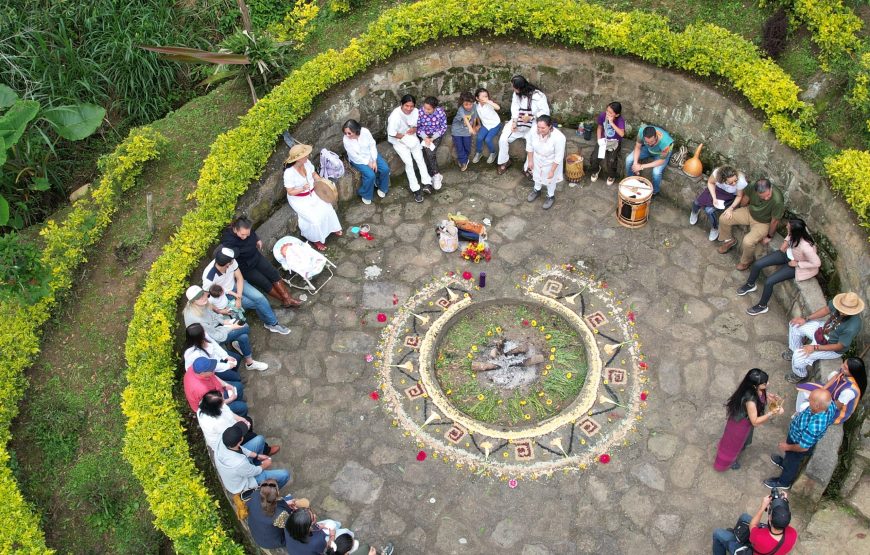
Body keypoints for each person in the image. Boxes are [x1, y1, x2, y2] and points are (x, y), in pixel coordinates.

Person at [738, 218, 820, 316]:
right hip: (786, 254)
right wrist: (786, 241)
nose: (786, 227)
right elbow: (790, 236)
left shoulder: (806, 247)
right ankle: (750, 285)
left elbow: (817, 263)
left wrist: (797, 264)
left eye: (788, 227)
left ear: (795, 231)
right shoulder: (797, 233)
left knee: (769, 281)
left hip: (796, 265)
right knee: (758, 264)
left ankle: (762, 306)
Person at [203, 246, 290, 335]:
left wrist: (239, 298)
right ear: (227, 264)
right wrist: (219, 311)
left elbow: (240, 278)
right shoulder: (209, 278)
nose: (234, 261)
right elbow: (205, 299)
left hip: (237, 284)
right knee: (256, 304)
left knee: (260, 298)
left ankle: (273, 324)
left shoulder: (230, 261)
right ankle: (269, 321)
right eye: (232, 261)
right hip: (225, 295)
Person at [220, 216, 301, 309]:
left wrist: (257, 239)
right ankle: (284, 300)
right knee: (264, 282)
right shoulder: (227, 239)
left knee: (273, 273)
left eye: (247, 234)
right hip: (245, 266)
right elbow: (233, 254)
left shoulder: (246, 227)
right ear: (236, 229)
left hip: (256, 256)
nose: (245, 237)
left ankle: (288, 298)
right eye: (242, 234)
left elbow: (253, 232)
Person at [783, 291, 864, 383]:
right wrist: (806, 319)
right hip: (823, 330)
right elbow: (826, 310)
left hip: (831, 346)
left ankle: (800, 374)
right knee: (795, 325)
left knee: (798, 356)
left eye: (845, 311)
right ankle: (793, 350)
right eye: (841, 308)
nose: (841, 312)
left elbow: (840, 346)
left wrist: (814, 347)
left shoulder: (852, 326)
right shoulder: (839, 303)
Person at [183, 286, 268, 372]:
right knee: (245, 327)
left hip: (216, 328)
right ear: (193, 301)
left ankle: (249, 363)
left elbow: (213, 315)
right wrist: (231, 327)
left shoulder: (200, 304)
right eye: (198, 297)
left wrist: (224, 322)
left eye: (202, 294)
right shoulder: (197, 318)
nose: (203, 297)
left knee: (243, 337)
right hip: (211, 339)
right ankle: (243, 354)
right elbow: (216, 336)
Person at [714, 369, 783, 471]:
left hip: (745, 423)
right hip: (740, 426)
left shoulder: (754, 389)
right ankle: (727, 461)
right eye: (764, 383)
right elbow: (754, 421)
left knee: (739, 442)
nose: (768, 384)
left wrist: (768, 396)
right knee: (732, 444)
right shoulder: (750, 401)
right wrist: (771, 413)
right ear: (755, 386)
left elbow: (760, 395)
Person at [765, 388, 835, 489]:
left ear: (817, 405)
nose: (808, 400)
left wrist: (787, 447)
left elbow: (803, 447)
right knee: (789, 458)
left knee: (792, 462)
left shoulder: (815, 425)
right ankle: (785, 463)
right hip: (801, 436)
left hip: (798, 443)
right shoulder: (828, 405)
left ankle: (784, 482)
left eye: (810, 400)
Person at [283, 143, 343, 252]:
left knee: (328, 208)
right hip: (299, 199)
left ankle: (333, 228)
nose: (308, 157)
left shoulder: (307, 163)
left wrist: (322, 182)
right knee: (314, 220)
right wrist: (302, 188)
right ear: (298, 159)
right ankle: (316, 240)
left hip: (313, 192)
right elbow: (290, 192)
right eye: (305, 156)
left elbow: (314, 174)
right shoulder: (289, 173)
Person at [717, 178, 785, 271]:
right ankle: (729, 240)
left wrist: (769, 236)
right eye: (762, 197)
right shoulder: (753, 185)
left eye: (768, 195)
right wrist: (739, 209)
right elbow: (745, 198)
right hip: (749, 211)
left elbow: (775, 221)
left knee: (748, 241)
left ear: (771, 188)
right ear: (756, 192)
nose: (766, 198)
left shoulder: (778, 200)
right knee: (724, 218)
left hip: (763, 222)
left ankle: (746, 262)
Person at [215, 422, 290, 494]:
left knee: (260, 439)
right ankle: (272, 494)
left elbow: (240, 448)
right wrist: (265, 465)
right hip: (244, 482)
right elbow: (253, 471)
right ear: (240, 440)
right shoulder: (239, 462)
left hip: (240, 469)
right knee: (285, 474)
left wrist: (257, 455)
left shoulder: (224, 440)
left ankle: (258, 463)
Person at [196, 390, 278, 455]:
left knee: (248, 419)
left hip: (231, 428)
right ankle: (266, 450)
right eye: (222, 401)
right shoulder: (216, 423)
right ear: (215, 408)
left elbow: (228, 412)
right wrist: (244, 427)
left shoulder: (205, 404)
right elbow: (232, 432)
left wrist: (240, 418)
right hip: (227, 441)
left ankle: (249, 435)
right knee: (254, 437)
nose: (224, 401)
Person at [496, 75, 550, 175]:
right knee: (503, 139)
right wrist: (514, 123)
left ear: (520, 87)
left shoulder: (538, 96)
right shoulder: (516, 94)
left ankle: (528, 168)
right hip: (518, 122)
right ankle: (505, 161)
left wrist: (531, 117)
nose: (512, 88)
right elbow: (515, 108)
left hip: (533, 123)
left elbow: (545, 112)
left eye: (513, 86)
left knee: (533, 142)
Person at [711, 493, 798, 555]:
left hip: (751, 550)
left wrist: (762, 507)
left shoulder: (759, 536)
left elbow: (752, 525)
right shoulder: (793, 533)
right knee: (744, 517)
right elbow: (783, 517)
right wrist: (784, 502)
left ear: (770, 519)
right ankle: (736, 535)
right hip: (769, 547)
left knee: (717, 533)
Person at [387, 94, 432, 203]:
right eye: (406, 106)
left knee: (420, 159)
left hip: (410, 136)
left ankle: (427, 182)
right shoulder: (395, 116)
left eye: (411, 106)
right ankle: (416, 189)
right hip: (398, 139)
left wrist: (415, 129)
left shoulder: (416, 111)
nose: (409, 109)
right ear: (401, 104)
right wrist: (404, 137)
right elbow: (391, 133)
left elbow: (419, 124)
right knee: (409, 163)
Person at [795, 357, 865, 425]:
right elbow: (835, 377)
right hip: (832, 394)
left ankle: (800, 415)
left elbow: (836, 407)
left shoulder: (849, 392)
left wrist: (818, 402)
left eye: (845, 367)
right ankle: (798, 412)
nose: (841, 366)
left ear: (852, 372)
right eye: (843, 364)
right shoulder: (846, 372)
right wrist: (822, 389)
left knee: (804, 406)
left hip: (835, 410)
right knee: (804, 391)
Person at [689, 165, 748, 241]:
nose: (734, 184)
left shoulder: (741, 181)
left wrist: (731, 208)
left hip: (728, 195)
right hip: (716, 190)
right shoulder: (717, 174)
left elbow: (739, 196)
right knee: (696, 203)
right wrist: (714, 197)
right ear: (723, 180)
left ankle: (714, 228)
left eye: (735, 180)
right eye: (730, 183)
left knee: (709, 210)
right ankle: (694, 212)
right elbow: (710, 183)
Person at [246, 479, 305, 549]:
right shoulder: (280, 515)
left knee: (289, 499)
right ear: (277, 493)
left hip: (257, 532)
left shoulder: (255, 494)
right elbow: (293, 527)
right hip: (269, 541)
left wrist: (286, 504)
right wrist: (295, 512)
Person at [342, 119, 390, 205]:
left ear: (356, 130)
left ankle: (382, 186)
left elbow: (372, 144)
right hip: (358, 160)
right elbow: (354, 156)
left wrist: (374, 160)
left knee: (385, 169)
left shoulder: (365, 132)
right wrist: (368, 163)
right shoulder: (346, 140)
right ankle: (365, 194)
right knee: (370, 175)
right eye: (345, 133)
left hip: (370, 154)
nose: (347, 135)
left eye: (349, 133)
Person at [525, 115, 566, 211]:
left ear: (550, 126)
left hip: (551, 161)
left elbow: (559, 156)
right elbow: (529, 146)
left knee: (550, 180)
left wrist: (552, 170)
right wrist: (530, 160)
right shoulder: (534, 131)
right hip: (537, 157)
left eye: (543, 128)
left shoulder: (559, 137)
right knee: (536, 175)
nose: (540, 130)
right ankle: (537, 190)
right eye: (538, 127)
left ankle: (550, 196)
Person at [624, 123, 673, 195]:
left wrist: (641, 166)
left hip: (660, 154)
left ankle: (655, 191)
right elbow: (638, 147)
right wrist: (635, 164)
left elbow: (661, 161)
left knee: (656, 172)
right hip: (648, 150)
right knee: (629, 160)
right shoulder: (641, 132)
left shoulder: (665, 143)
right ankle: (631, 181)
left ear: (656, 136)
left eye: (652, 141)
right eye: (647, 142)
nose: (650, 144)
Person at [588, 101, 625, 186]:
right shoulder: (602, 115)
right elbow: (599, 128)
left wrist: (611, 122)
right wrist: (599, 140)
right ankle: (596, 170)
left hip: (614, 141)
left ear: (617, 114)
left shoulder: (620, 120)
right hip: (603, 139)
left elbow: (622, 134)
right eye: (607, 111)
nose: (607, 113)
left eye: (610, 113)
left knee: (611, 161)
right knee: (594, 158)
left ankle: (612, 176)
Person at [416, 96, 447, 189]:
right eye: (425, 108)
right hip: (424, 136)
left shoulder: (440, 113)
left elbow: (443, 127)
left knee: (430, 152)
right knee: (428, 152)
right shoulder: (420, 112)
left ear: (435, 108)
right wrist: (425, 137)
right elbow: (417, 127)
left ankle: (435, 175)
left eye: (428, 109)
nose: (426, 110)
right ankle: (436, 174)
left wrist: (433, 138)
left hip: (435, 136)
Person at [471, 87, 501, 164]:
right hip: (485, 125)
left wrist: (488, 101)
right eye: (483, 96)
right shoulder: (476, 105)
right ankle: (479, 153)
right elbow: (475, 115)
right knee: (479, 138)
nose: (485, 98)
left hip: (495, 124)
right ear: (477, 98)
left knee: (487, 139)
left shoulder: (489, 103)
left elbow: (498, 107)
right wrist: (475, 126)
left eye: (486, 96)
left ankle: (493, 153)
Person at [451, 91, 477, 172]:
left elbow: (475, 117)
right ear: (462, 103)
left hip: (466, 132)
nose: (469, 106)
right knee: (459, 147)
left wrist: (475, 127)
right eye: (466, 104)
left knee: (467, 146)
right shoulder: (460, 109)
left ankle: (463, 159)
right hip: (457, 131)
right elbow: (465, 118)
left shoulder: (474, 107)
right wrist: (470, 128)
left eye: (470, 104)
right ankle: (463, 162)